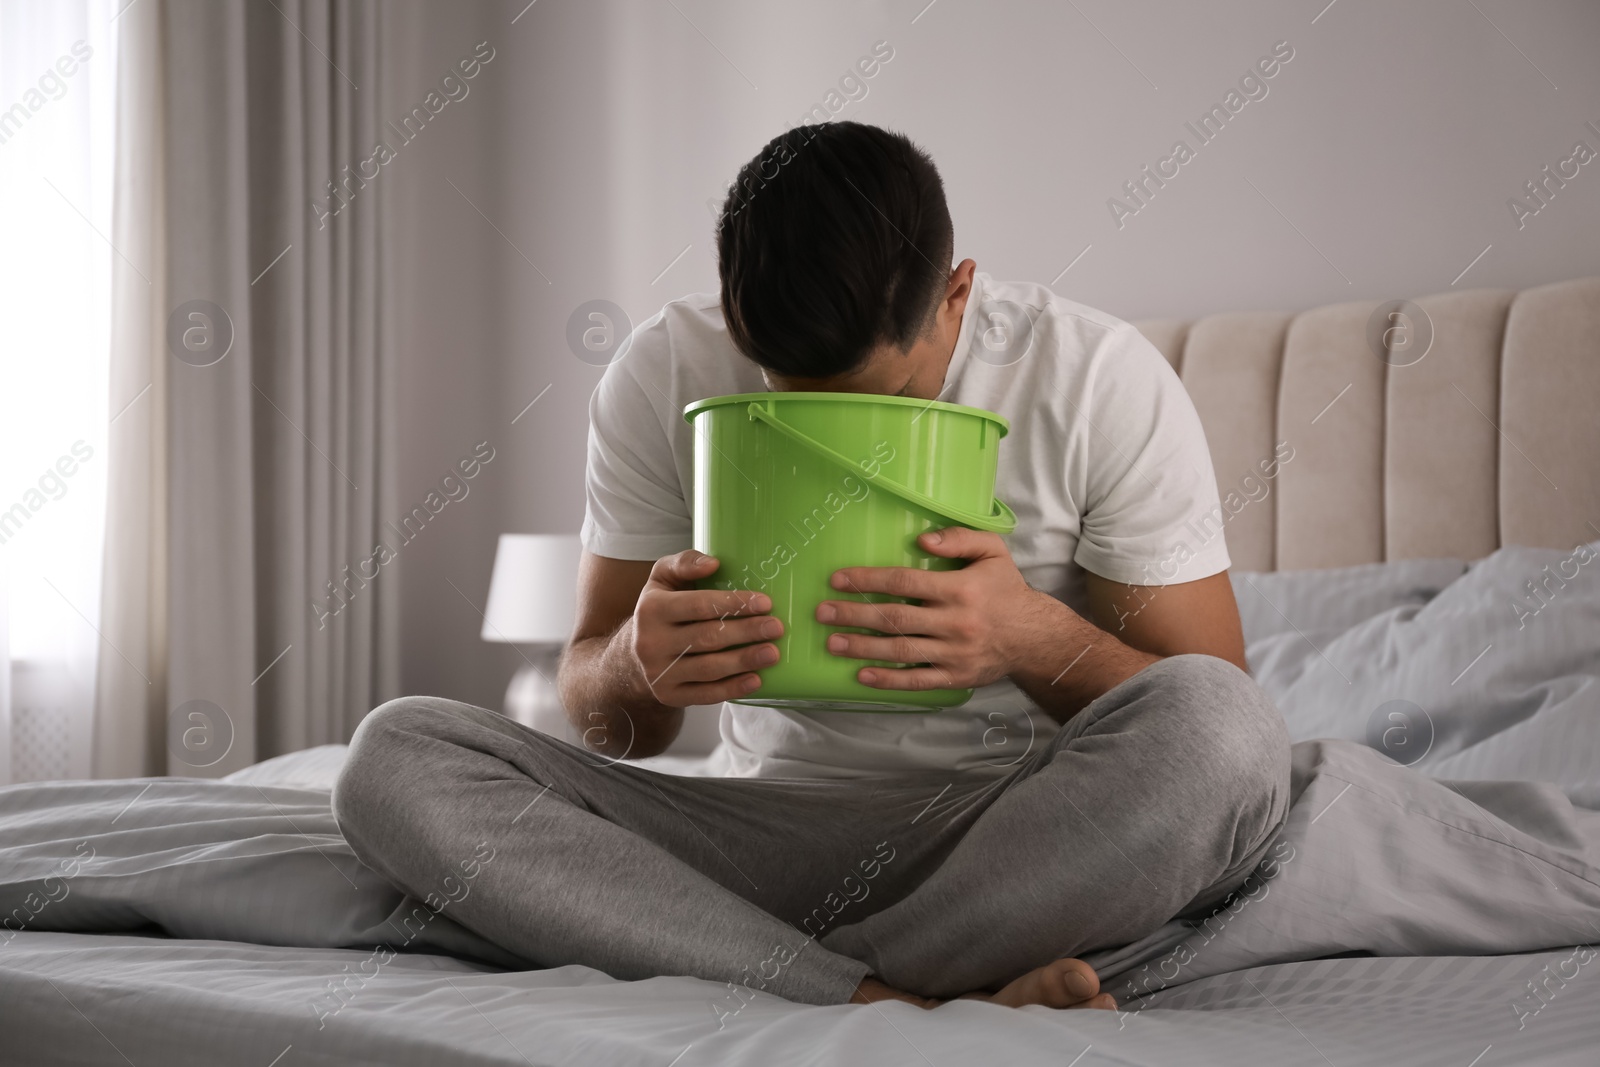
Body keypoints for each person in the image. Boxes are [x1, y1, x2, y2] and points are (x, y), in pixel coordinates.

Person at [333, 121, 1291, 1015]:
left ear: (955, 294)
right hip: (754, 832)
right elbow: (607, 722)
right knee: (396, 753)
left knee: (1228, 736)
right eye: (782, 390)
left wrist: (1023, 633)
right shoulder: (661, 369)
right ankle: (894, 997)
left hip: (1018, 838)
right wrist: (635, 665)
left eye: (882, 394)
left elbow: (1201, 696)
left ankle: (785, 973)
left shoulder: (1097, 379)